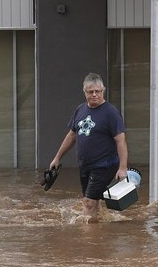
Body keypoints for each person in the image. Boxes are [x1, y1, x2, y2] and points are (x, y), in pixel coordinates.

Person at [49, 73, 129, 221]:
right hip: (85, 165)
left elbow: (121, 140)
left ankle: (87, 239)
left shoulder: (111, 113)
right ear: (84, 92)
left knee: (88, 202)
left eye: (97, 91)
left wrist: (122, 168)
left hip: (104, 165)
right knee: (94, 202)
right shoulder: (80, 110)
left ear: (103, 91)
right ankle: (100, 235)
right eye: (90, 92)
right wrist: (57, 157)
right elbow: (71, 135)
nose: (94, 95)